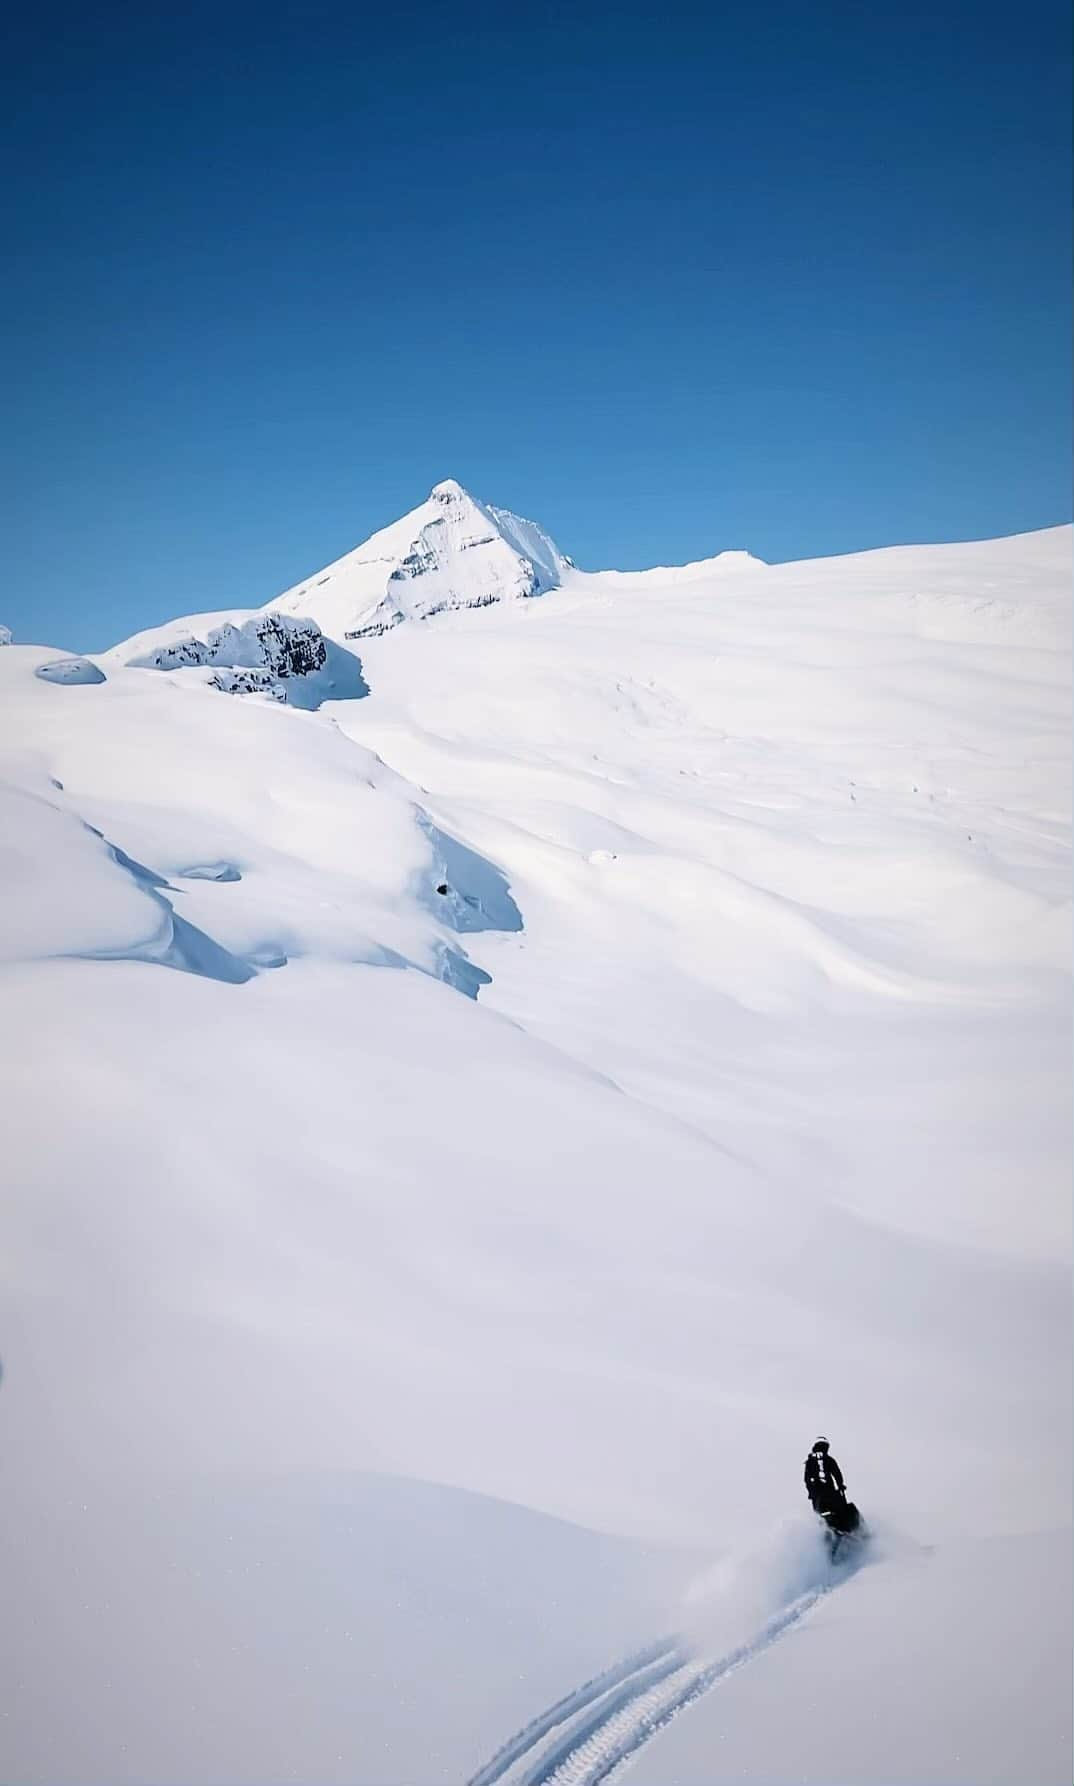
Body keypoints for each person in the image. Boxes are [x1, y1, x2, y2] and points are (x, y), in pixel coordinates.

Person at [804, 1436, 846, 1516]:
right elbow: (837, 1474)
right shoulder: (829, 1459)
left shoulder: (809, 1461)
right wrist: (840, 1485)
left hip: (817, 1494)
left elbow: (806, 1479)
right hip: (830, 1491)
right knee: (839, 1508)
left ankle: (823, 1524)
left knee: (820, 1513)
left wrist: (810, 1492)